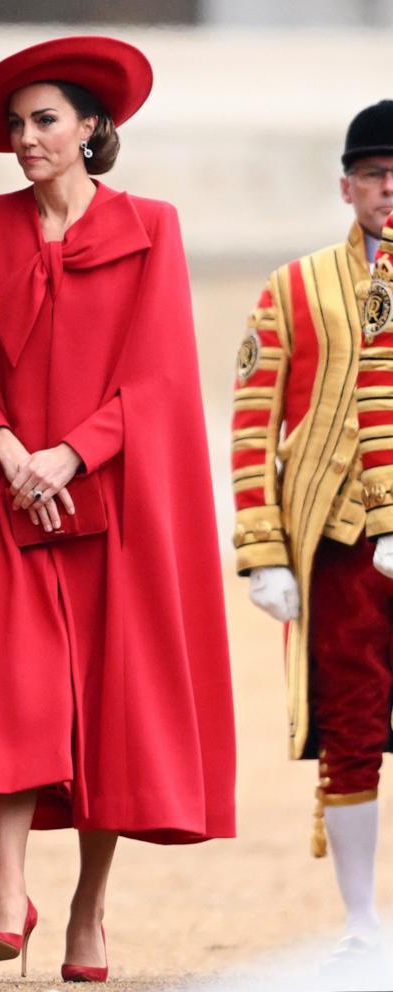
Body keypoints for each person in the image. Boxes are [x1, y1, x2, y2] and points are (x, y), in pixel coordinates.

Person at [0, 35, 235, 981]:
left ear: (93, 127)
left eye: (44, 120)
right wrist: (13, 454)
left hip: (111, 505)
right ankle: (10, 892)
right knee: (1, 693)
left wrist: (69, 453)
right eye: (16, 125)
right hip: (8, 499)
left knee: (106, 713)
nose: (25, 139)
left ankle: (88, 911)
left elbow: (162, 377)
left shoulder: (154, 226)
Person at [231, 101, 393, 986]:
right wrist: (260, 548)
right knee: (351, 726)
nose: (389, 189)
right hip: (337, 542)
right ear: (346, 185)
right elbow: (253, 423)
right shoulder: (293, 288)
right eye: (374, 174)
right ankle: (363, 920)